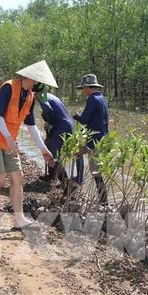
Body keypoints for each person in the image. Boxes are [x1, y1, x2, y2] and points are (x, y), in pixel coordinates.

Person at [0, 60, 55, 227]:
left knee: (18, 177)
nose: (40, 86)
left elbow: (31, 125)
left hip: (9, 141)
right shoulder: (9, 87)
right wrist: (8, 138)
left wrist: (43, 149)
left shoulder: (30, 97)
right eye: (39, 82)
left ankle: (19, 219)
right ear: (32, 79)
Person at [73, 74, 110, 204]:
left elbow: (84, 119)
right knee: (77, 152)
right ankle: (78, 180)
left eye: (83, 88)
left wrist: (75, 115)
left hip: (94, 139)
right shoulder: (102, 98)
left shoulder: (92, 99)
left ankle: (104, 201)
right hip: (103, 137)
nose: (82, 91)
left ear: (89, 87)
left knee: (96, 173)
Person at [38, 91, 82, 186]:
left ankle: (66, 184)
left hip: (60, 127)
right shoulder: (49, 95)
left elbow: (48, 110)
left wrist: (49, 122)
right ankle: (52, 176)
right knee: (49, 147)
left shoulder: (41, 96)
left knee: (53, 156)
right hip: (65, 125)